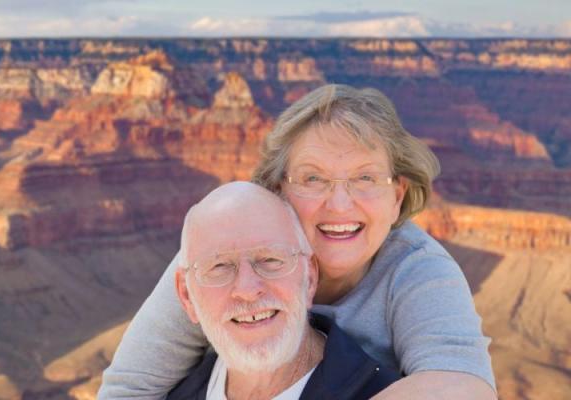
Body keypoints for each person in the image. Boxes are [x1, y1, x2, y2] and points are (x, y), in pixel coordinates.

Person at [99, 84, 495, 399]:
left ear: (397, 197)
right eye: (312, 179)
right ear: (277, 191)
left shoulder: (417, 269)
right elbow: (130, 389)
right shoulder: (216, 263)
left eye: (366, 178)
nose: (340, 205)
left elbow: (464, 386)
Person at [168, 181, 399, 399]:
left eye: (270, 259)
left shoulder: (381, 392)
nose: (247, 290)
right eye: (219, 266)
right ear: (187, 296)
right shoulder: (174, 395)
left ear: (310, 277)